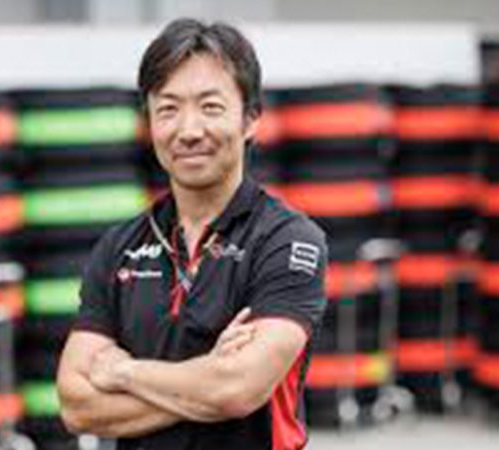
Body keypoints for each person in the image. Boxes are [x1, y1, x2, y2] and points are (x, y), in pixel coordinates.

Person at [56, 18, 327, 450]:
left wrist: (123, 372)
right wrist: (207, 382)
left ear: (251, 119)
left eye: (210, 107)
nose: (189, 130)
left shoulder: (288, 241)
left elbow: (237, 390)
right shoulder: (119, 247)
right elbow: (76, 406)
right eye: (168, 109)